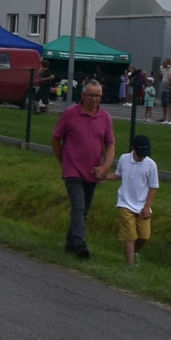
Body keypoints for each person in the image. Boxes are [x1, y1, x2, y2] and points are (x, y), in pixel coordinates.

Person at [50, 79, 116, 260]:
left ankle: (70, 243)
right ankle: (80, 245)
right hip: (72, 170)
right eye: (90, 95)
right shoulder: (70, 114)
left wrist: (105, 167)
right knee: (78, 207)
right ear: (83, 95)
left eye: (97, 96)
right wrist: (63, 161)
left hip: (92, 171)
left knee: (84, 209)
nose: (94, 99)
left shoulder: (105, 118)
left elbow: (110, 144)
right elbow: (56, 138)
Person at [103, 134, 158, 267]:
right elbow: (118, 175)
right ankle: (130, 267)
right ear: (133, 149)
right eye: (140, 153)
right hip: (125, 203)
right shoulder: (124, 158)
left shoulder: (151, 165)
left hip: (142, 205)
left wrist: (147, 207)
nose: (142, 156)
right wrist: (103, 176)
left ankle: (134, 253)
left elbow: (153, 187)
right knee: (130, 236)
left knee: (144, 236)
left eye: (145, 154)